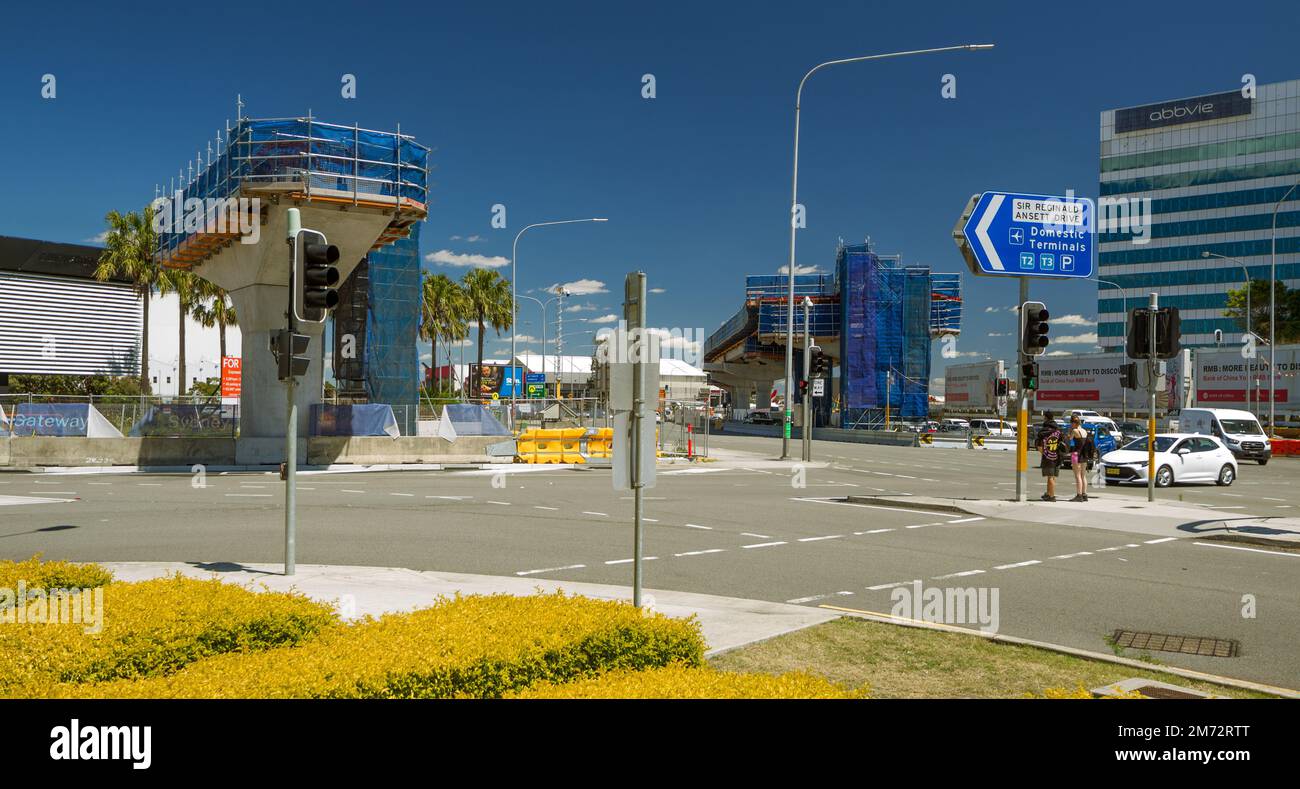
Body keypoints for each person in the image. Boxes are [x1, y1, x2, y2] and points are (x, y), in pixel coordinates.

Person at [1034, 411, 1063, 501]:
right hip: (1058, 456)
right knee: (1052, 477)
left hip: (1048, 457)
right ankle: (1048, 493)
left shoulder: (1043, 431)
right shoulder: (1058, 430)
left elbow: (1039, 447)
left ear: (1045, 418)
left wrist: (1045, 453)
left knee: (1050, 477)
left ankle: (1051, 496)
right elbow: (1062, 443)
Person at [1067, 415, 1091, 502]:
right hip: (1084, 455)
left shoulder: (1074, 430)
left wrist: (1069, 432)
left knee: (1077, 476)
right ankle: (1084, 494)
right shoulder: (1084, 431)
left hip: (1075, 454)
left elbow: (1069, 439)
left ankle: (1079, 495)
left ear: (1073, 423)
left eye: (1071, 423)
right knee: (1083, 475)